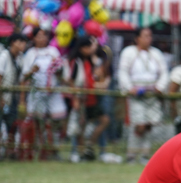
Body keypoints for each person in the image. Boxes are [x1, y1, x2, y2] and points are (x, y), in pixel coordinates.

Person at [118, 27, 169, 165]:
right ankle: (131, 155)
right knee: (139, 124)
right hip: (136, 94)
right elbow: (123, 72)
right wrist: (129, 88)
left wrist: (160, 87)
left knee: (149, 124)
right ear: (137, 38)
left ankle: (145, 155)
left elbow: (164, 72)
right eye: (145, 36)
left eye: (150, 36)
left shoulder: (156, 53)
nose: (149, 39)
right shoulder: (129, 52)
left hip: (153, 93)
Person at [20, 28, 67, 160]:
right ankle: (38, 150)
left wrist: (57, 67)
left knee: (57, 120)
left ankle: (54, 149)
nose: (41, 38)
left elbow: (61, 72)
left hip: (53, 92)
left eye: (44, 36)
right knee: (37, 121)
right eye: (38, 36)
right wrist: (32, 71)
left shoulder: (53, 51)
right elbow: (24, 77)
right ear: (34, 38)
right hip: (37, 93)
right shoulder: (30, 53)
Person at [63, 36, 110, 162]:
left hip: (90, 98)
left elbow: (90, 80)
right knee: (78, 127)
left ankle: (86, 147)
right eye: (88, 47)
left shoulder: (88, 61)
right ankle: (76, 152)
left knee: (92, 124)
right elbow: (70, 81)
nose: (91, 49)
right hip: (80, 99)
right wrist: (76, 98)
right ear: (82, 48)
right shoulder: (75, 62)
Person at [0, 33, 26, 159]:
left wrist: (21, 100)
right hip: (3, 95)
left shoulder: (20, 58)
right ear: (13, 42)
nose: (23, 45)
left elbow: (21, 80)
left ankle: (10, 152)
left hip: (13, 98)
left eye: (24, 42)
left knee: (12, 125)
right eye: (20, 42)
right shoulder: (4, 56)